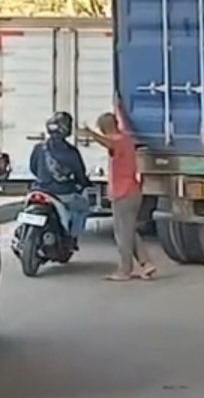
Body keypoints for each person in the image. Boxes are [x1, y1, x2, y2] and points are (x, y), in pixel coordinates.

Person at [82, 101, 156, 281]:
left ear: (104, 128)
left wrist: (90, 134)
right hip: (131, 191)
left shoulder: (118, 141)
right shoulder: (126, 138)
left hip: (124, 193)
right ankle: (146, 264)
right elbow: (115, 131)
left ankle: (125, 270)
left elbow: (108, 142)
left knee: (122, 233)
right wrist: (119, 107)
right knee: (129, 230)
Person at [29, 111, 91, 251]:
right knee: (82, 208)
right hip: (63, 194)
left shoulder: (39, 147)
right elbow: (80, 175)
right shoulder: (71, 152)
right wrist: (84, 184)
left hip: (40, 190)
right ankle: (71, 238)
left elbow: (33, 168)